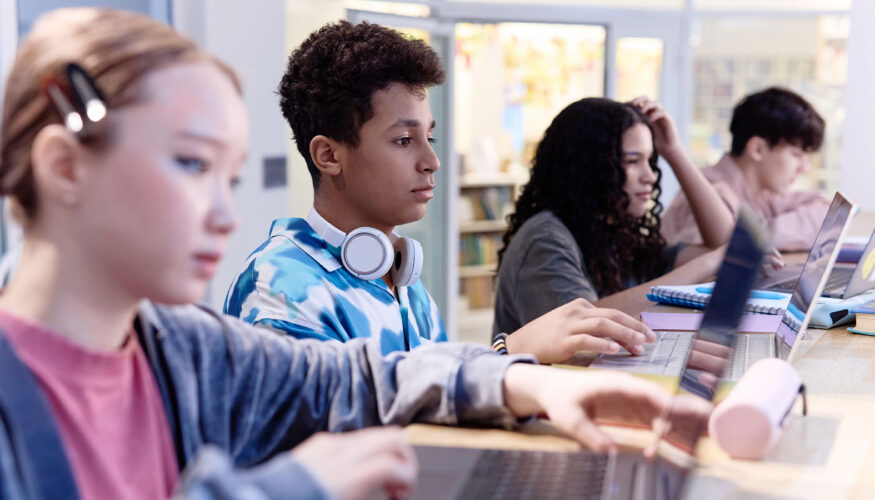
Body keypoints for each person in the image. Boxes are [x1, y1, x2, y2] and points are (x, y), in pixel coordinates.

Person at [0, 8, 698, 499]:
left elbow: (359, 379)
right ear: (65, 167)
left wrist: (529, 380)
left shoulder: (180, 348)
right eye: (189, 165)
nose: (224, 213)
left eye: (230, 177)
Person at [224, 21, 654, 363]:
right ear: (329, 155)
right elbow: (339, 450)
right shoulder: (278, 289)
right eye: (403, 140)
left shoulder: (399, 276)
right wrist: (509, 353)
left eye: (430, 136)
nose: (432, 162)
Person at [494, 96, 749, 335]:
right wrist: (711, 262)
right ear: (589, 167)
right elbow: (585, 326)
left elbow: (725, 245)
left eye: (650, 160)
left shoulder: (615, 234)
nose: (649, 176)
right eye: (632, 161)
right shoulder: (544, 239)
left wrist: (673, 151)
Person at [661, 87, 830, 252]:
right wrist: (755, 241)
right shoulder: (709, 192)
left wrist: (761, 237)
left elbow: (826, 209)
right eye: (796, 155)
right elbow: (701, 268)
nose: (805, 168)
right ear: (758, 149)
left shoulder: (762, 193)